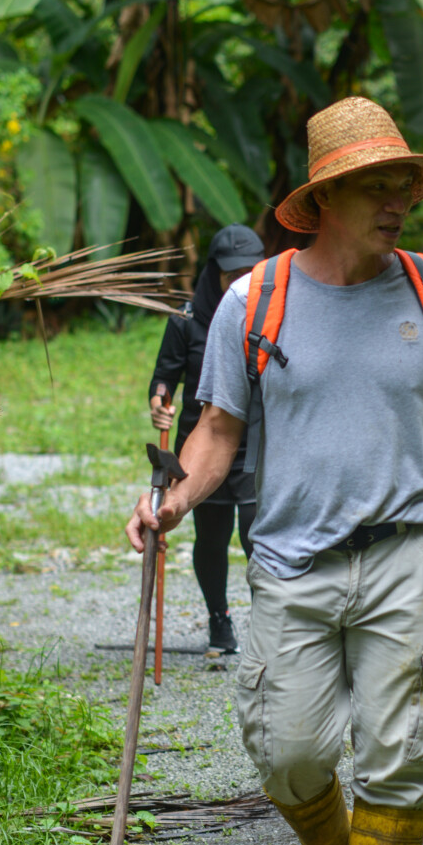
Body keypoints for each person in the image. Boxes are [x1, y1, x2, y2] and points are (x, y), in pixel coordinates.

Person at [126, 97, 423, 845]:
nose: (395, 203)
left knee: (400, 747)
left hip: (403, 552)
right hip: (292, 562)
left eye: (402, 187)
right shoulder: (253, 300)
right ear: (327, 197)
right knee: (289, 750)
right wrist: (173, 499)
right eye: (375, 187)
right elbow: (217, 429)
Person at [148, 223, 265, 656]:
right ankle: (219, 619)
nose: (240, 283)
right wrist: (159, 400)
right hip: (203, 446)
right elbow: (164, 377)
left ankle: (267, 623)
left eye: (249, 272)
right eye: (231, 274)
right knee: (211, 539)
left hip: (256, 446)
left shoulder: (275, 312)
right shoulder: (187, 319)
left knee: (257, 536)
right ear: (213, 272)